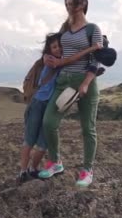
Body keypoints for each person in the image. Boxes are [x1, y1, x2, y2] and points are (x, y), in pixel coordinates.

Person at [39, 0, 103, 187]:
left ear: (82, 4)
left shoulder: (93, 29)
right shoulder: (64, 27)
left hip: (86, 82)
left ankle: (87, 169)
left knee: (87, 128)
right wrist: (46, 56)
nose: (69, 8)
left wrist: (85, 83)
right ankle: (56, 161)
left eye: (72, 4)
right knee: (49, 122)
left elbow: (96, 60)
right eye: (66, 4)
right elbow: (54, 48)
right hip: (63, 81)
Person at [17, 32, 101, 184]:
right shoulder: (51, 61)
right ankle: (23, 171)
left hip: (49, 104)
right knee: (29, 139)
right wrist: (92, 48)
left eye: (60, 46)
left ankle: (33, 169)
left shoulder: (62, 62)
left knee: (43, 143)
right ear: (48, 50)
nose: (58, 49)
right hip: (38, 103)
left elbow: (73, 65)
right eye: (54, 47)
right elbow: (73, 59)